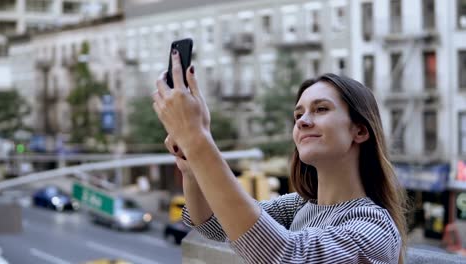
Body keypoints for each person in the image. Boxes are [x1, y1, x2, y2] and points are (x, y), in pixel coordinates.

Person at [152, 50, 407, 263]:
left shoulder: (376, 228)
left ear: (360, 130)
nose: (303, 121)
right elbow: (212, 224)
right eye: (298, 115)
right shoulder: (298, 206)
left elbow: (288, 255)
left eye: (320, 109)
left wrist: (197, 139)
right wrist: (190, 165)